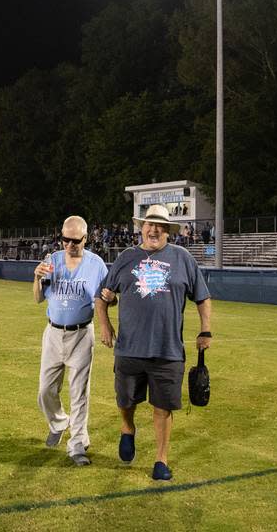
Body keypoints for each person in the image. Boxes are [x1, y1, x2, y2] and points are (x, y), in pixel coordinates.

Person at [94, 203, 211, 482]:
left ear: (168, 231)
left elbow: (203, 298)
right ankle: (127, 428)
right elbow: (103, 297)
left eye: (160, 225)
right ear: (141, 228)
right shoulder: (126, 258)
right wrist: (105, 324)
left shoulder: (183, 258)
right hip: (130, 348)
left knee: (163, 407)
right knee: (125, 400)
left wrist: (206, 330)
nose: (154, 229)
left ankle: (161, 460)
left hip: (167, 350)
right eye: (149, 224)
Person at [33, 215, 108, 467]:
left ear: (85, 239)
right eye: (64, 239)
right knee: (45, 390)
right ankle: (59, 422)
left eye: (74, 240)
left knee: (79, 393)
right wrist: (36, 278)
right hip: (53, 333)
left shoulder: (96, 264)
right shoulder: (51, 260)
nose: (69, 244)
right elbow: (37, 298)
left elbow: (107, 297)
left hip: (81, 334)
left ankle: (77, 445)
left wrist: (110, 298)